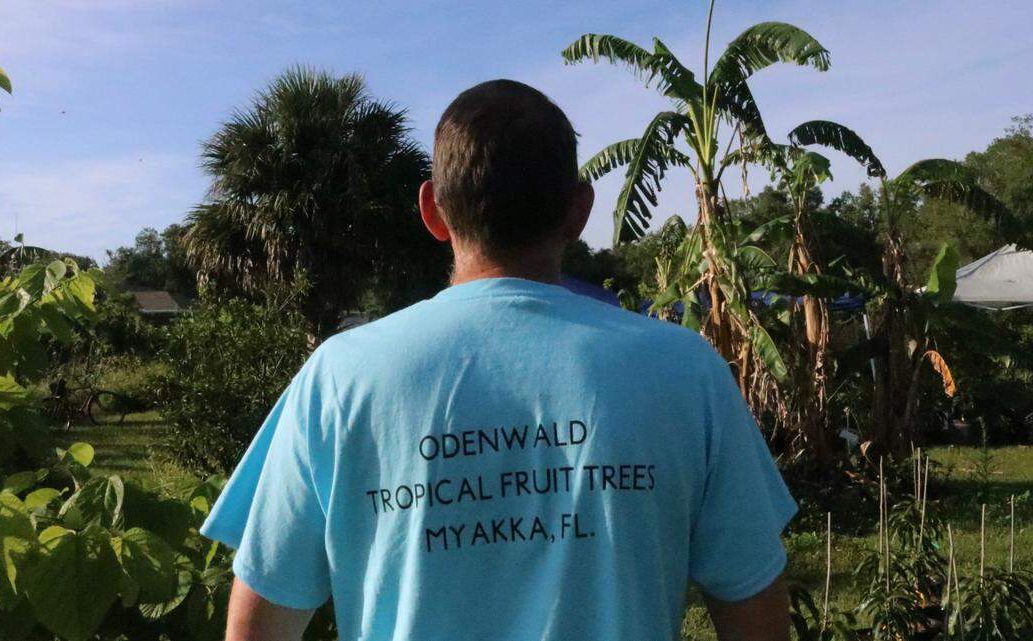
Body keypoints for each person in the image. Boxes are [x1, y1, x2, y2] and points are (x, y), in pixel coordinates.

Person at [201, 79, 796, 641]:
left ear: (432, 210)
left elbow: (261, 622)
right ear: (578, 211)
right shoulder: (686, 371)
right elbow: (754, 606)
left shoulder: (341, 377)